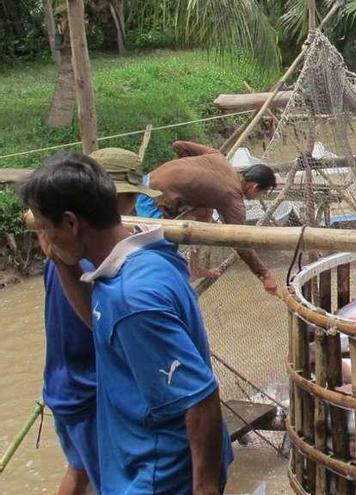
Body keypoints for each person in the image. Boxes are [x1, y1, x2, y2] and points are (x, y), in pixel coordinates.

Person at [22, 153, 233, 494]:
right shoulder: (146, 260)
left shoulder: (131, 298)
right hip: (143, 460)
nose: (44, 237)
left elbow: (201, 396)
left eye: (46, 228)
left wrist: (204, 488)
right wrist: (61, 263)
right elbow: (102, 326)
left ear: (72, 223)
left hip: (156, 474)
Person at [39, 147, 160, 495]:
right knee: (114, 484)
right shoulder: (92, 264)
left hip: (62, 384)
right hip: (90, 393)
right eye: (133, 197)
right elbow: (109, 329)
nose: (135, 205)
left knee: (78, 470)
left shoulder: (63, 251)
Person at [135, 141, 279, 293]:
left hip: (148, 179)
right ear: (254, 187)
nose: (259, 197)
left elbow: (178, 145)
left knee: (205, 212)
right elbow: (239, 242)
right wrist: (264, 274)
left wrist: (186, 176)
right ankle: (151, 292)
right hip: (151, 198)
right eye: (262, 193)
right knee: (163, 257)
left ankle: (195, 267)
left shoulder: (218, 157)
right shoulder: (233, 200)